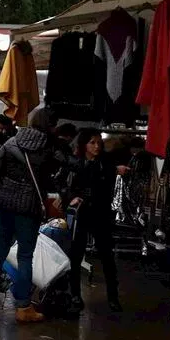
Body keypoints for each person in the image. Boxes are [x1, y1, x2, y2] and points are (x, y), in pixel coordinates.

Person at [0, 106, 58, 324]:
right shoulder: (48, 148)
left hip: (3, 204)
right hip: (29, 208)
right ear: (51, 126)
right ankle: (23, 307)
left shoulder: (10, 143)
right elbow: (53, 178)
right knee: (25, 256)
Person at [66, 129, 123, 312]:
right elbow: (63, 184)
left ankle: (113, 297)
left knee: (107, 257)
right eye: (92, 142)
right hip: (82, 214)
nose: (96, 146)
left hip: (101, 214)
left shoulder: (105, 164)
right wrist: (71, 197)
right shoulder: (76, 163)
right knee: (75, 255)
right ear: (84, 145)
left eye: (98, 142)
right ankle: (75, 295)